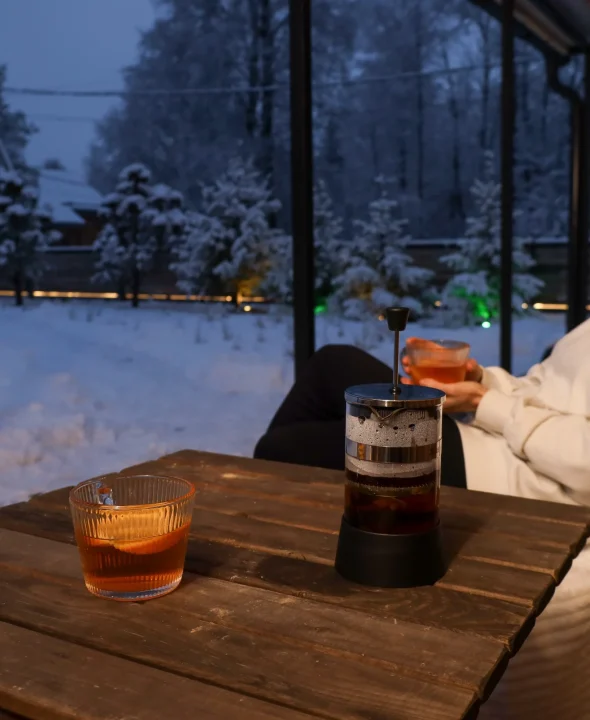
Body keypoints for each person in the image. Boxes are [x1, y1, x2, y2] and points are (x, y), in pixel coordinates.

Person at [255, 320, 590, 720]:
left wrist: (488, 404)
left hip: (514, 476)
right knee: (332, 362)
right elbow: (545, 390)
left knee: (283, 448)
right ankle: (283, 518)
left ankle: (272, 560)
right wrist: (481, 381)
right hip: (499, 439)